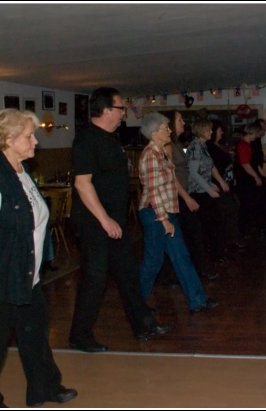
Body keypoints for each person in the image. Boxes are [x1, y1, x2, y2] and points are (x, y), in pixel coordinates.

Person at [0, 109, 77, 407]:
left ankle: (45, 387)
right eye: (28, 136)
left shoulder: (20, 172)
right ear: (9, 139)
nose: (35, 141)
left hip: (24, 274)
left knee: (34, 334)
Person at [69, 87, 172, 352]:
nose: (123, 114)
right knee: (95, 278)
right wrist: (104, 220)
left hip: (114, 222)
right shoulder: (86, 140)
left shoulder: (110, 139)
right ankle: (79, 335)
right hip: (95, 223)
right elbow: (83, 184)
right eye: (120, 108)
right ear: (106, 111)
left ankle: (143, 324)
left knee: (128, 274)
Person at [137, 112, 218, 314]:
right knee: (153, 262)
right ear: (155, 132)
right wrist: (164, 220)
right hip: (155, 215)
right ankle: (136, 304)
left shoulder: (161, 152)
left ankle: (197, 300)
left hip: (166, 213)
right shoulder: (150, 155)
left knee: (181, 256)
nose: (170, 130)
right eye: (166, 128)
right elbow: (153, 191)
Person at [162, 111, 220, 281]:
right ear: (171, 123)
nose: (183, 122)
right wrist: (186, 197)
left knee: (183, 236)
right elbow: (172, 175)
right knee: (191, 234)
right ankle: (194, 271)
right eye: (179, 119)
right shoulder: (168, 146)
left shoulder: (177, 144)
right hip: (177, 196)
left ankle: (171, 274)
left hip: (182, 194)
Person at [186, 118, 240, 261]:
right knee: (209, 224)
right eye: (209, 129)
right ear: (202, 130)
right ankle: (213, 255)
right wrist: (208, 188)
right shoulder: (196, 146)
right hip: (198, 192)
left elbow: (207, 168)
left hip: (204, 189)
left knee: (214, 223)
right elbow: (193, 173)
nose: (211, 131)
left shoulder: (202, 145)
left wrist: (211, 184)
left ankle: (217, 253)